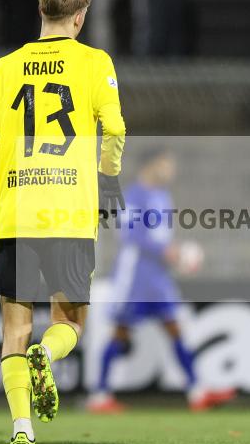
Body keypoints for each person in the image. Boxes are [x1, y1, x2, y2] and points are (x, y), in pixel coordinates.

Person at [0, 0, 127, 444]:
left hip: (16, 213)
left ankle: (21, 430)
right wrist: (107, 175)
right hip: (69, 212)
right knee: (71, 322)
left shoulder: (5, 67)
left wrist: (17, 155)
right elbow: (114, 127)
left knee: (14, 329)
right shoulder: (95, 62)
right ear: (79, 16)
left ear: (42, 13)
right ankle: (47, 355)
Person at [87, 148, 235, 414]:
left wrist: (173, 253)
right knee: (120, 332)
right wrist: (167, 251)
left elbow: (160, 238)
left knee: (175, 327)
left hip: (157, 276)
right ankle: (100, 396)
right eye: (166, 164)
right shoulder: (134, 196)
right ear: (151, 165)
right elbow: (130, 236)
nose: (170, 170)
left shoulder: (162, 196)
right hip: (136, 275)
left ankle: (197, 392)